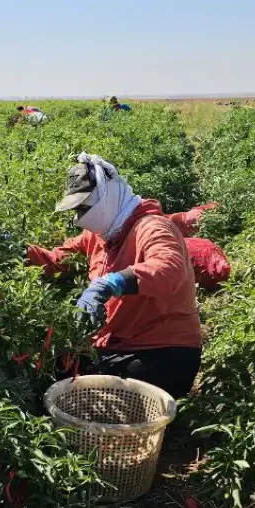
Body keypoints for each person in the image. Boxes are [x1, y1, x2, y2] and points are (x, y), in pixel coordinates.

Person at [27, 154, 203, 398]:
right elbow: (56, 260)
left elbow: (169, 269)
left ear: (106, 196)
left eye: (83, 206)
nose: (81, 215)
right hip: (119, 344)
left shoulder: (152, 227)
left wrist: (111, 283)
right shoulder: (101, 235)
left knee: (88, 391)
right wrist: (18, 249)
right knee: (56, 369)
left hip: (162, 352)